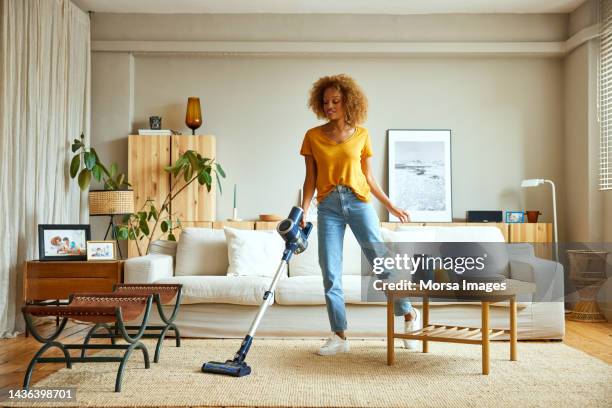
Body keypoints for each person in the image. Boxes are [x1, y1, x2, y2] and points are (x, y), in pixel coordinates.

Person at [300, 74, 421, 356]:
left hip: (358, 202)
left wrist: (389, 205)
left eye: (336, 101)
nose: (330, 106)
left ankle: (408, 315)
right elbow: (310, 179)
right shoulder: (313, 136)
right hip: (328, 205)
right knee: (330, 271)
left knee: (380, 262)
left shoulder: (362, 134)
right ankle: (339, 336)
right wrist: (303, 212)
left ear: (348, 102)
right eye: (326, 101)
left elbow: (368, 176)